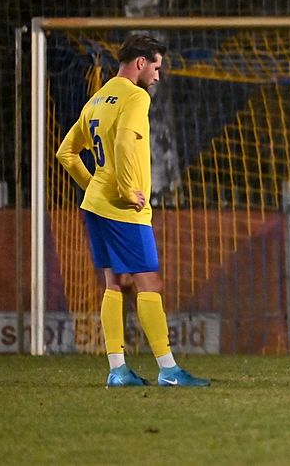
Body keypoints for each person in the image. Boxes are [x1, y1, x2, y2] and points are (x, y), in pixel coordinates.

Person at [56, 34, 209, 387]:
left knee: (116, 283)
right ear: (140, 62)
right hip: (124, 209)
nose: (157, 76)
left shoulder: (97, 98)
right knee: (149, 282)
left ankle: (118, 370)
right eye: (156, 67)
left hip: (95, 205)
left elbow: (66, 153)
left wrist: (94, 185)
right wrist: (125, 190)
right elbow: (125, 142)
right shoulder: (135, 96)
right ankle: (169, 371)